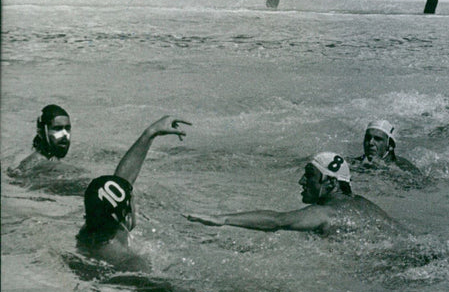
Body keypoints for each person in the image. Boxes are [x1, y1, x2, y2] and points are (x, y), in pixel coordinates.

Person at [185, 152, 405, 236]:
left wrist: (223, 219)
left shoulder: (324, 213)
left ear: (329, 183)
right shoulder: (362, 204)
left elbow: (277, 221)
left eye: (309, 176)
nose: (301, 181)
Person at [76, 116, 191, 268]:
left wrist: (150, 133)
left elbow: (120, 184)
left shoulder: (88, 235)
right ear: (127, 217)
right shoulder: (132, 264)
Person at [11, 104, 73, 173]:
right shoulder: (41, 164)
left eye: (67, 128)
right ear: (40, 133)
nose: (64, 134)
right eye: (57, 129)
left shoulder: (48, 160)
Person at [351, 120, 421, 174]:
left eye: (377, 139)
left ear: (390, 145)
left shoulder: (404, 169)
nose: (370, 143)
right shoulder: (354, 163)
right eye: (368, 138)